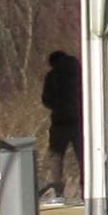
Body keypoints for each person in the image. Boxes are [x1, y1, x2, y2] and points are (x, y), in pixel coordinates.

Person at [40, 52, 81, 185]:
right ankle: (86, 189)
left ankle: (58, 191)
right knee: (83, 156)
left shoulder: (52, 76)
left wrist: (58, 105)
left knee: (56, 156)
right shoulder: (80, 73)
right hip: (79, 120)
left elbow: (46, 100)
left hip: (59, 121)